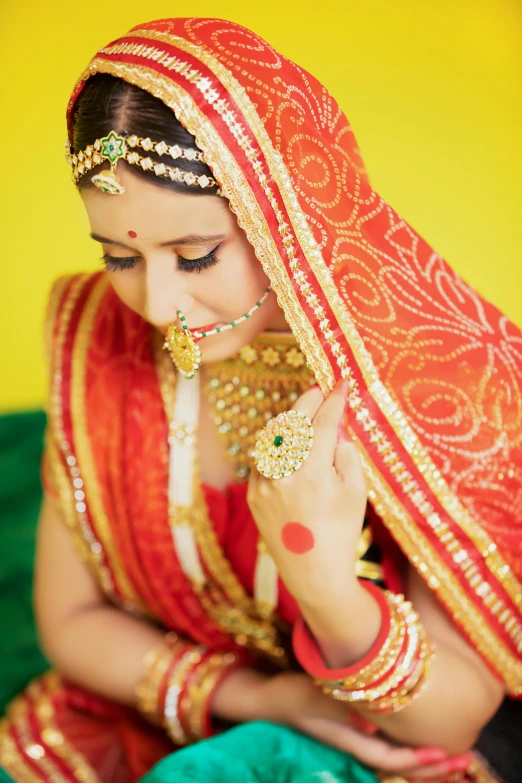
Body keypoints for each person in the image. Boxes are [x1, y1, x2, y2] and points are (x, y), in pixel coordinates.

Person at [0, 16, 520, 783]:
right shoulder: (95, 336)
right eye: (120, 255)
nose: (157, 301)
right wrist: (259, 697)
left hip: (377, 746)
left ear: (286, 216)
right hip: (179, 715)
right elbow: (71, 622)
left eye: (197, 254)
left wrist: (320, 577)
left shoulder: (435, 379)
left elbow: (453, 713)